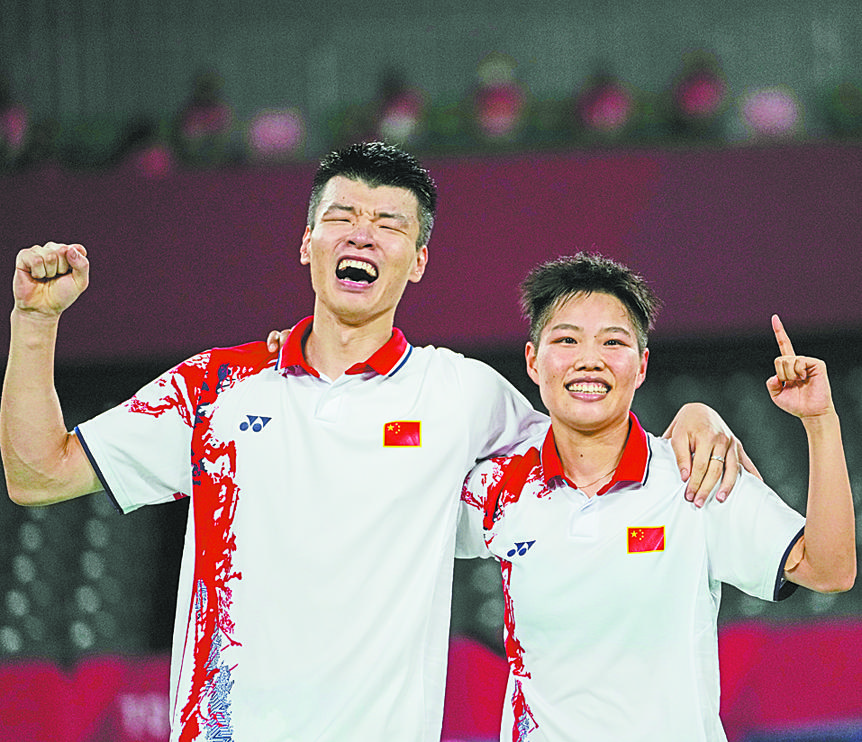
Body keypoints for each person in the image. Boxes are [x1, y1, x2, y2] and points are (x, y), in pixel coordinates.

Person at [3, 143, 749, 742]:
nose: (362, 233)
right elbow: (38, 475)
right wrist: (35, 325)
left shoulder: (461, 395)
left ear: (417, 261)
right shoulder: (215, 390)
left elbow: (588, 455)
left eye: (390, 223)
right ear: (307, 243)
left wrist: (691, 418)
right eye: (342, 216)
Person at [457, 253, 856, 742]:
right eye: (566, 340)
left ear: (642, 365)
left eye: (613, 341)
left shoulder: (696, 475)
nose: (589, 359)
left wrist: (820, 421)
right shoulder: (498, 488)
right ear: (533, 361)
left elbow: (830, 571)